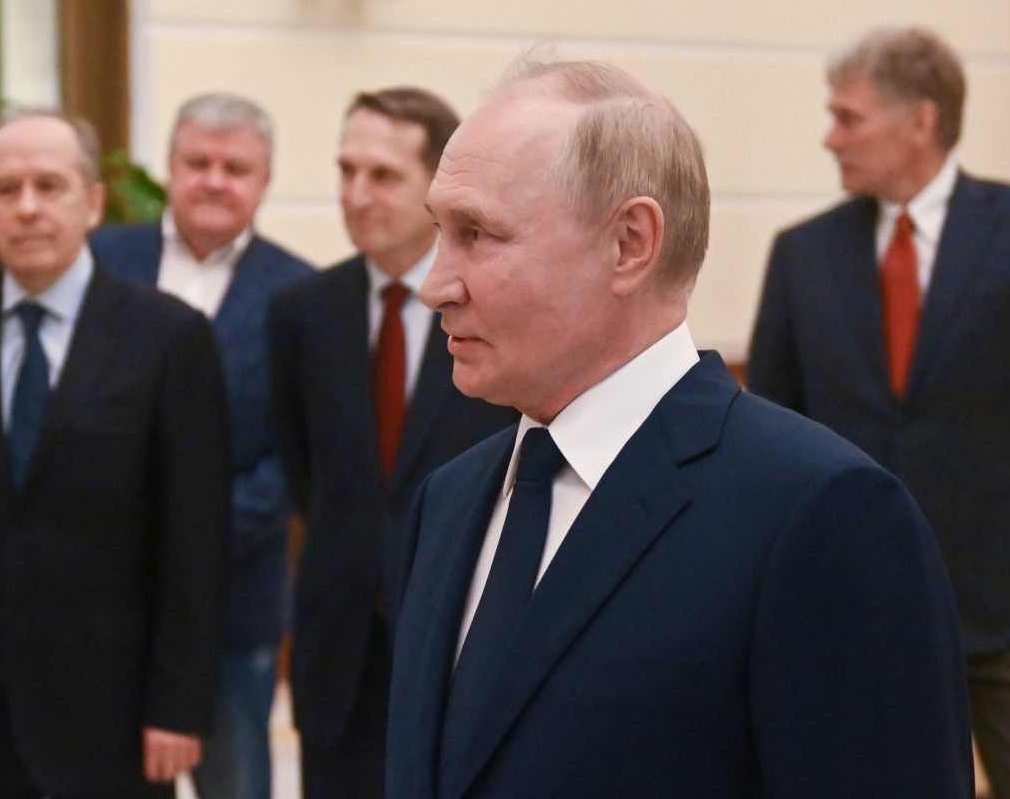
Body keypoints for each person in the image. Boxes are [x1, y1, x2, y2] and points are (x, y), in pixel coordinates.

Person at [387, 57, 974, 798]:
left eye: (476, 233)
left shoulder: (821, 512)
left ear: (629, 244)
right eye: (439, 231)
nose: (435, 285)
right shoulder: (448, 501)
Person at [0, 109, 231, 798]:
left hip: (114, 711)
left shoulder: (168, 338)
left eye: (49, 185)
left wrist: (179, 704)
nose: (27, 207)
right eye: (6, 189)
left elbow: (195, 541)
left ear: (92, 202)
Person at [748, 28, 1010, 798]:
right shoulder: (802, 255)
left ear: (920, 121)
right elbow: (768, 434)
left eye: (848, 117)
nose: (830, 138)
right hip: (855, 602)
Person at [268, 87, 518, 798]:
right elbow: (305, 471)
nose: (356, 194)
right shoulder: (302, 312)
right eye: (346, 171)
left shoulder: (493, 307)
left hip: (461, 637)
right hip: (336, 649)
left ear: (438, 187)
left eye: (382, 175)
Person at [90, 92, 312, 799]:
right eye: (198, 163)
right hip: (101, 603)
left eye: (235, 168)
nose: (215, 180)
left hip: (234, 606)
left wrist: (185, 540)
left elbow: (295, 456)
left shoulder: (300, 295)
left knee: (234, 786)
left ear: (265, 181)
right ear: (169, 168)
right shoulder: (98, 262)